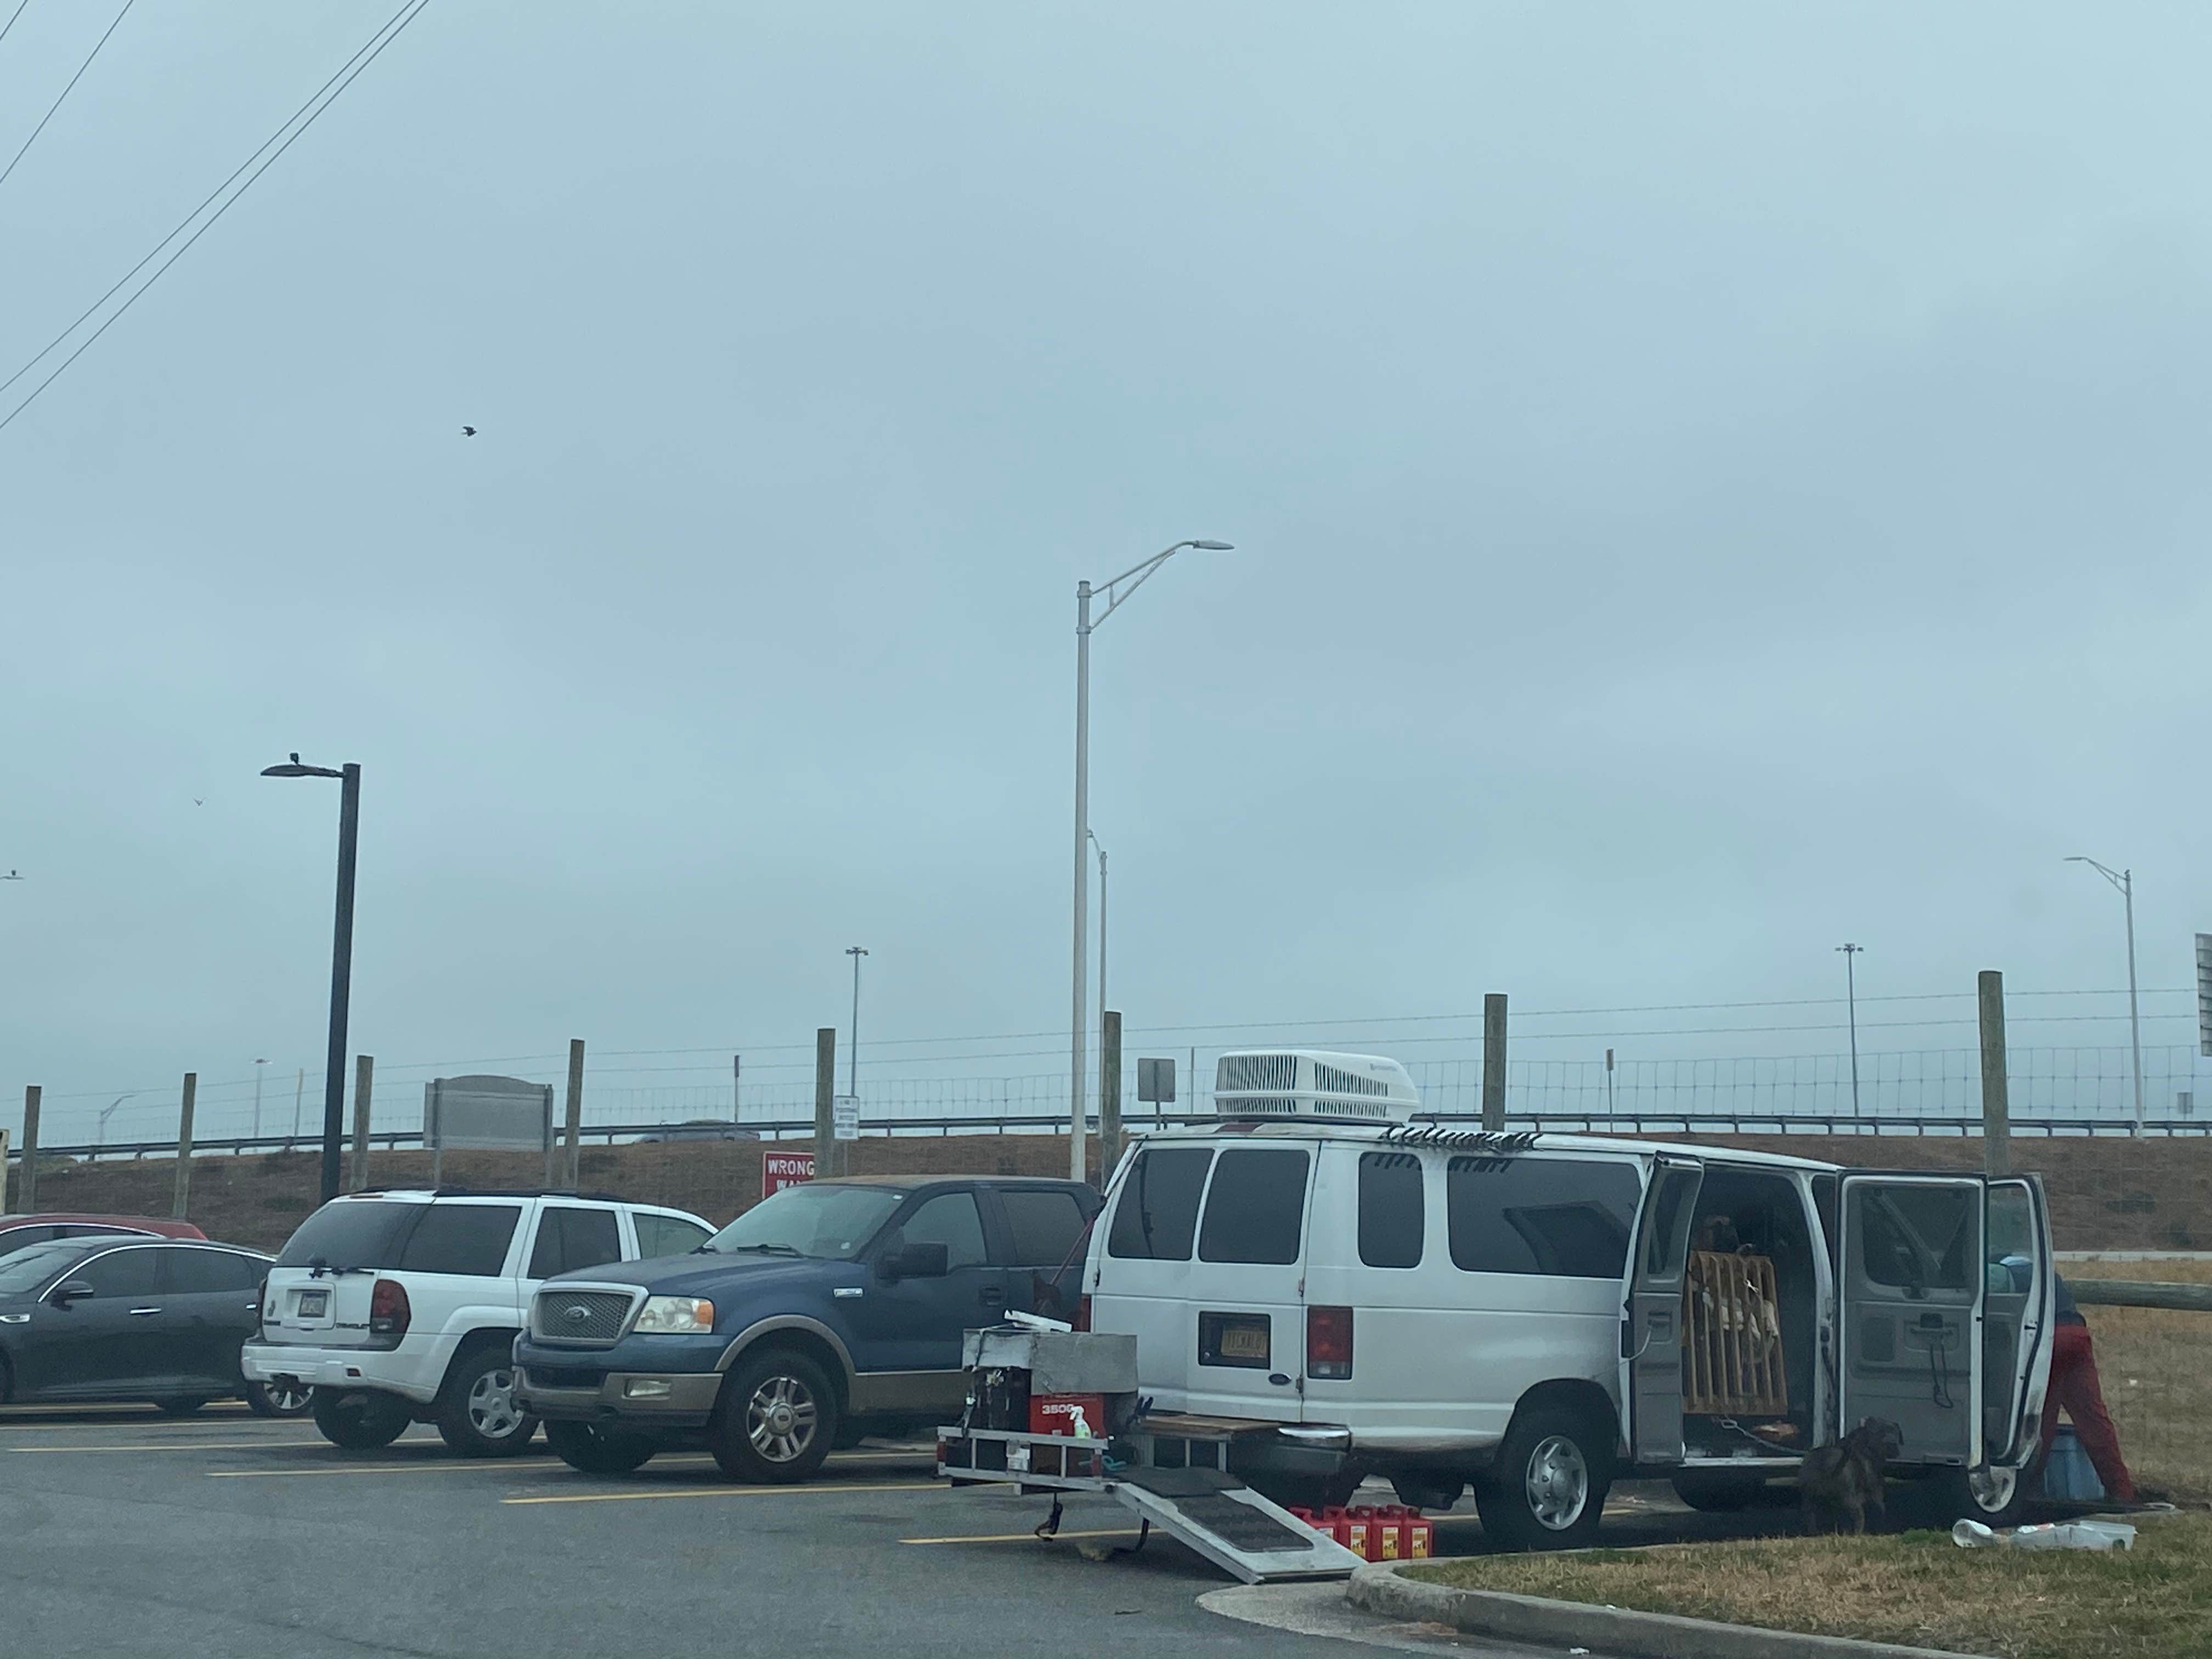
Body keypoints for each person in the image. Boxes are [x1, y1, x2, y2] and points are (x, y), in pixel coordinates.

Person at [2033, 1274, 2137, 1504]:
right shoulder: (2043, 1264)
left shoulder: (2007, 1264)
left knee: (2039, 1418)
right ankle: (2121, 1491)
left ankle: (2029, 1489)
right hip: (2077, 1333)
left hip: (2048, 1336)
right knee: (2093, 1419)